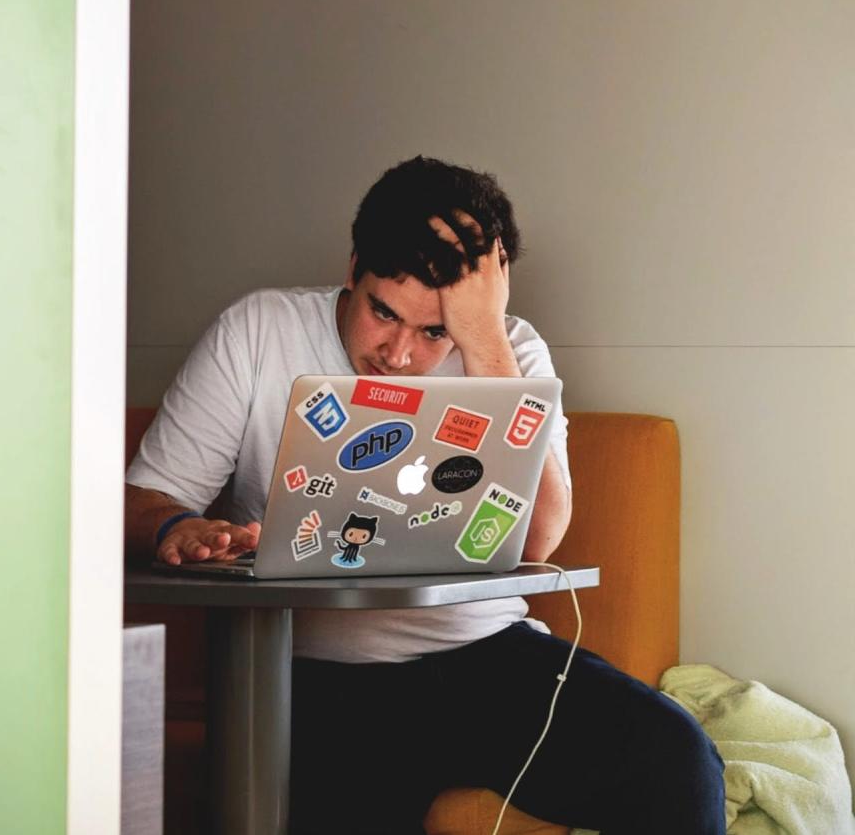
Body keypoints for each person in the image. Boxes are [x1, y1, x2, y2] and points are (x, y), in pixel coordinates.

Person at [125, 156, 726, 834]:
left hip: (486, 656)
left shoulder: (510, 350)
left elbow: (539, 538)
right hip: (318, 675)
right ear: (353, 267)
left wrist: (483, 341)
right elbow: (142, 499)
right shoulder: (257, 331)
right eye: (384, 312)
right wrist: (178, 526)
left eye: (434, 330)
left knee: (678, 758)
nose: (400, 353)